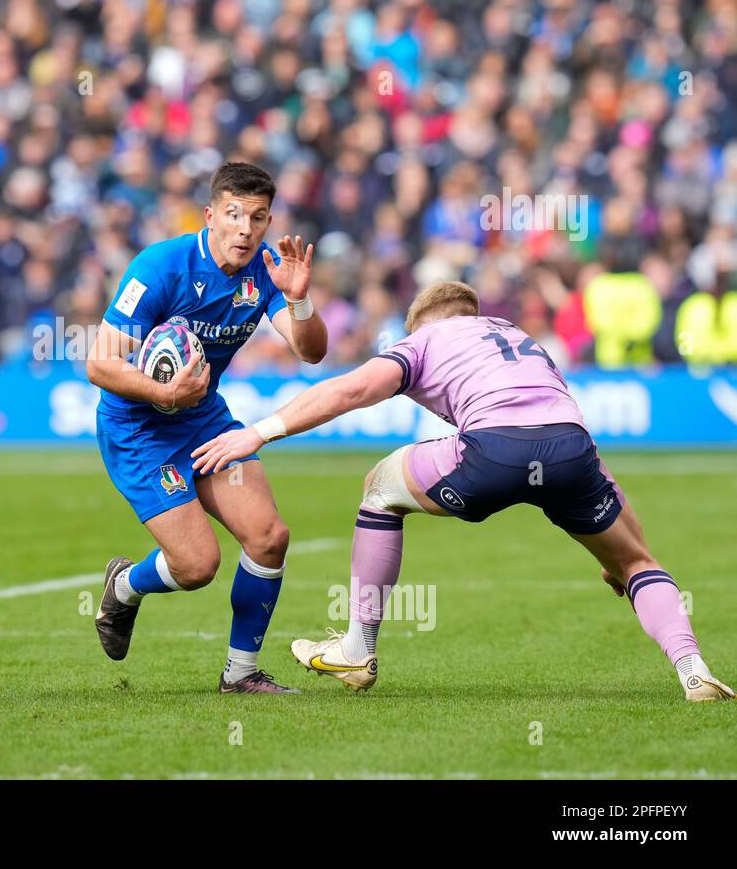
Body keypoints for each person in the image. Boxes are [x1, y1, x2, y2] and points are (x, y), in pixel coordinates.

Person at [192, 281, 733, 702]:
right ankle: (695, 671)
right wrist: (620, 548)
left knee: (380, 487)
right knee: (639, 563)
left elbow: (352, 389)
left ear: (420, 321)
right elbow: (579, 441)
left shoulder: (423, 339)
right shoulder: (522, 340)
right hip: (570, 452)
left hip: (493, 452)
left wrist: (258, 431)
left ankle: (358, 647)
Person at [87, 161, 328, 694]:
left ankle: (240, 674)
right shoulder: (160, 266)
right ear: (211, 214)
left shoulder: (267, 270)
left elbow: (311, 353)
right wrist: (164, 392)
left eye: (259, 218)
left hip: (202, 419)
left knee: (269, 537)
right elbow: (100, 364)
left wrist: (300, 298)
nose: (246, 229)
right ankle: (125, 586)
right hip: (138, 429)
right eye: (235, 214)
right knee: (197, 566)